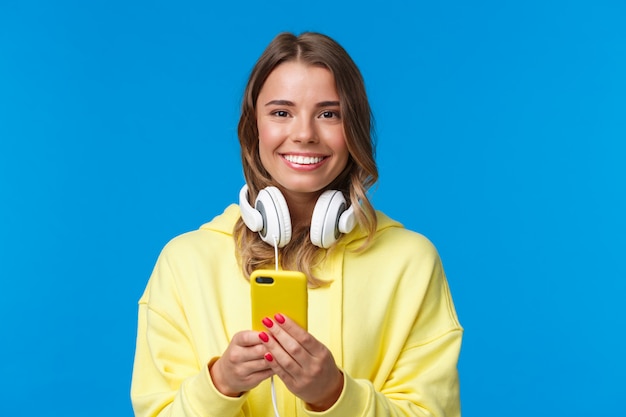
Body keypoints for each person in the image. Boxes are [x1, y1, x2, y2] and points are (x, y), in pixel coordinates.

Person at [131, 31, 463, 417]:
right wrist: (220, 383)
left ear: (353, 127)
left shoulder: (411, 262)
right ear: (253, 128)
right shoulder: (184, 262)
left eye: (328, 114)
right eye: (281, 112)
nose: (304, 134)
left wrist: (334, 394)